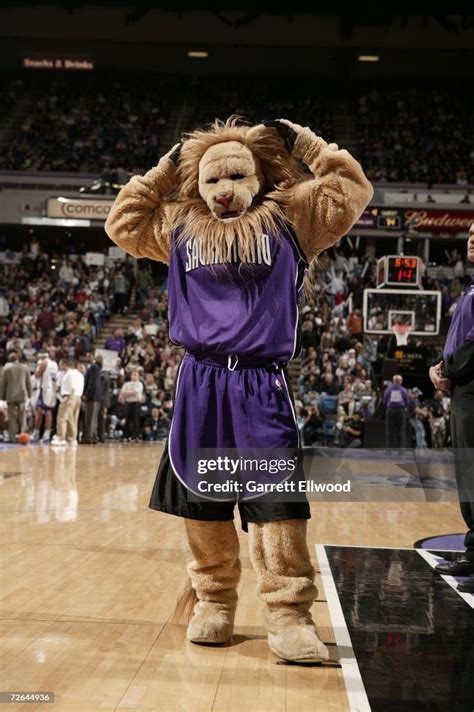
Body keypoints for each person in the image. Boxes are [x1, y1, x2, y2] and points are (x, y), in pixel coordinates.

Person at [431, 223, 474, 593]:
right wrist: (440, 366)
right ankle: (473, 550)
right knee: (467, 473)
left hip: (472, 387)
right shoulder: (472, 286)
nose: (472, 238)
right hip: (464, 388)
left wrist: (449, 370)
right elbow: (460, 339)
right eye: (471, 232)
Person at [0, 351, 32, 442]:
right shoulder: (25, 367)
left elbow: (3, 384)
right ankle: (23, 435)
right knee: (22, 416)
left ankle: (12, 437)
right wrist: (30, 395)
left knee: (12, 417)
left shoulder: (6, 368)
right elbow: (28, 382)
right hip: (22, 394)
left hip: (10, 395)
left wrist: (1, 397)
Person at [51, 359, 84, 446]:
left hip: (70, 396)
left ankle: (61, 438)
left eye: (60, 364)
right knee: (73, 419)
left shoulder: (70, 374)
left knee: (62, 417)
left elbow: (73, 386)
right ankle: (72, 438)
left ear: (65, 364)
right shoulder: (80, 374)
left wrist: (70, 399)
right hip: (78, 397)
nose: (59, 366)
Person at [32, 350, 58, 442]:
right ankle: (46, 434)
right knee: (48, 411)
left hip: (44, 388)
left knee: (41, 411)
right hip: (52, 389)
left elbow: (37, 375)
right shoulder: (55, 364)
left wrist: (37, 368)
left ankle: (36, 433)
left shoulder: (43, 363)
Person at [383, 374, 409, 449]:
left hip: (390, 410)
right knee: (401, 430)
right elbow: (407, 401)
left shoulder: (388, 389)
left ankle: (388, 450)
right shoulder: (403, 390)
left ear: (393, 381)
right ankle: (401, 450)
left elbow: (384, 401)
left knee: (389, 430)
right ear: (400, 381)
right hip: (400, 410)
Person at [82, 355, 103, 444]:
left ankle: (88, 437)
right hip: (97, 396)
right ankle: (93, 437)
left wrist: (86, 394)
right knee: (94, 419)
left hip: (92, 396)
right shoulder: (98, 369)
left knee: (90, 418)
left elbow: (91, 383)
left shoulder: (93, 368)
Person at [118, 370, 144, 441]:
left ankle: (136, 436)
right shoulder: (126, 384)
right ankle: (126, 436)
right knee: (127, 419)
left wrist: (127, 392)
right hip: (128, 403)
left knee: (136, 420)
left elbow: (136, 392)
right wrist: (129, 392)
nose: (134, 376)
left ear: (138, 376)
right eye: (133, 374)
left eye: (136, 375)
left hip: (136, 403)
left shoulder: (140, 384)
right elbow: (122, 392)